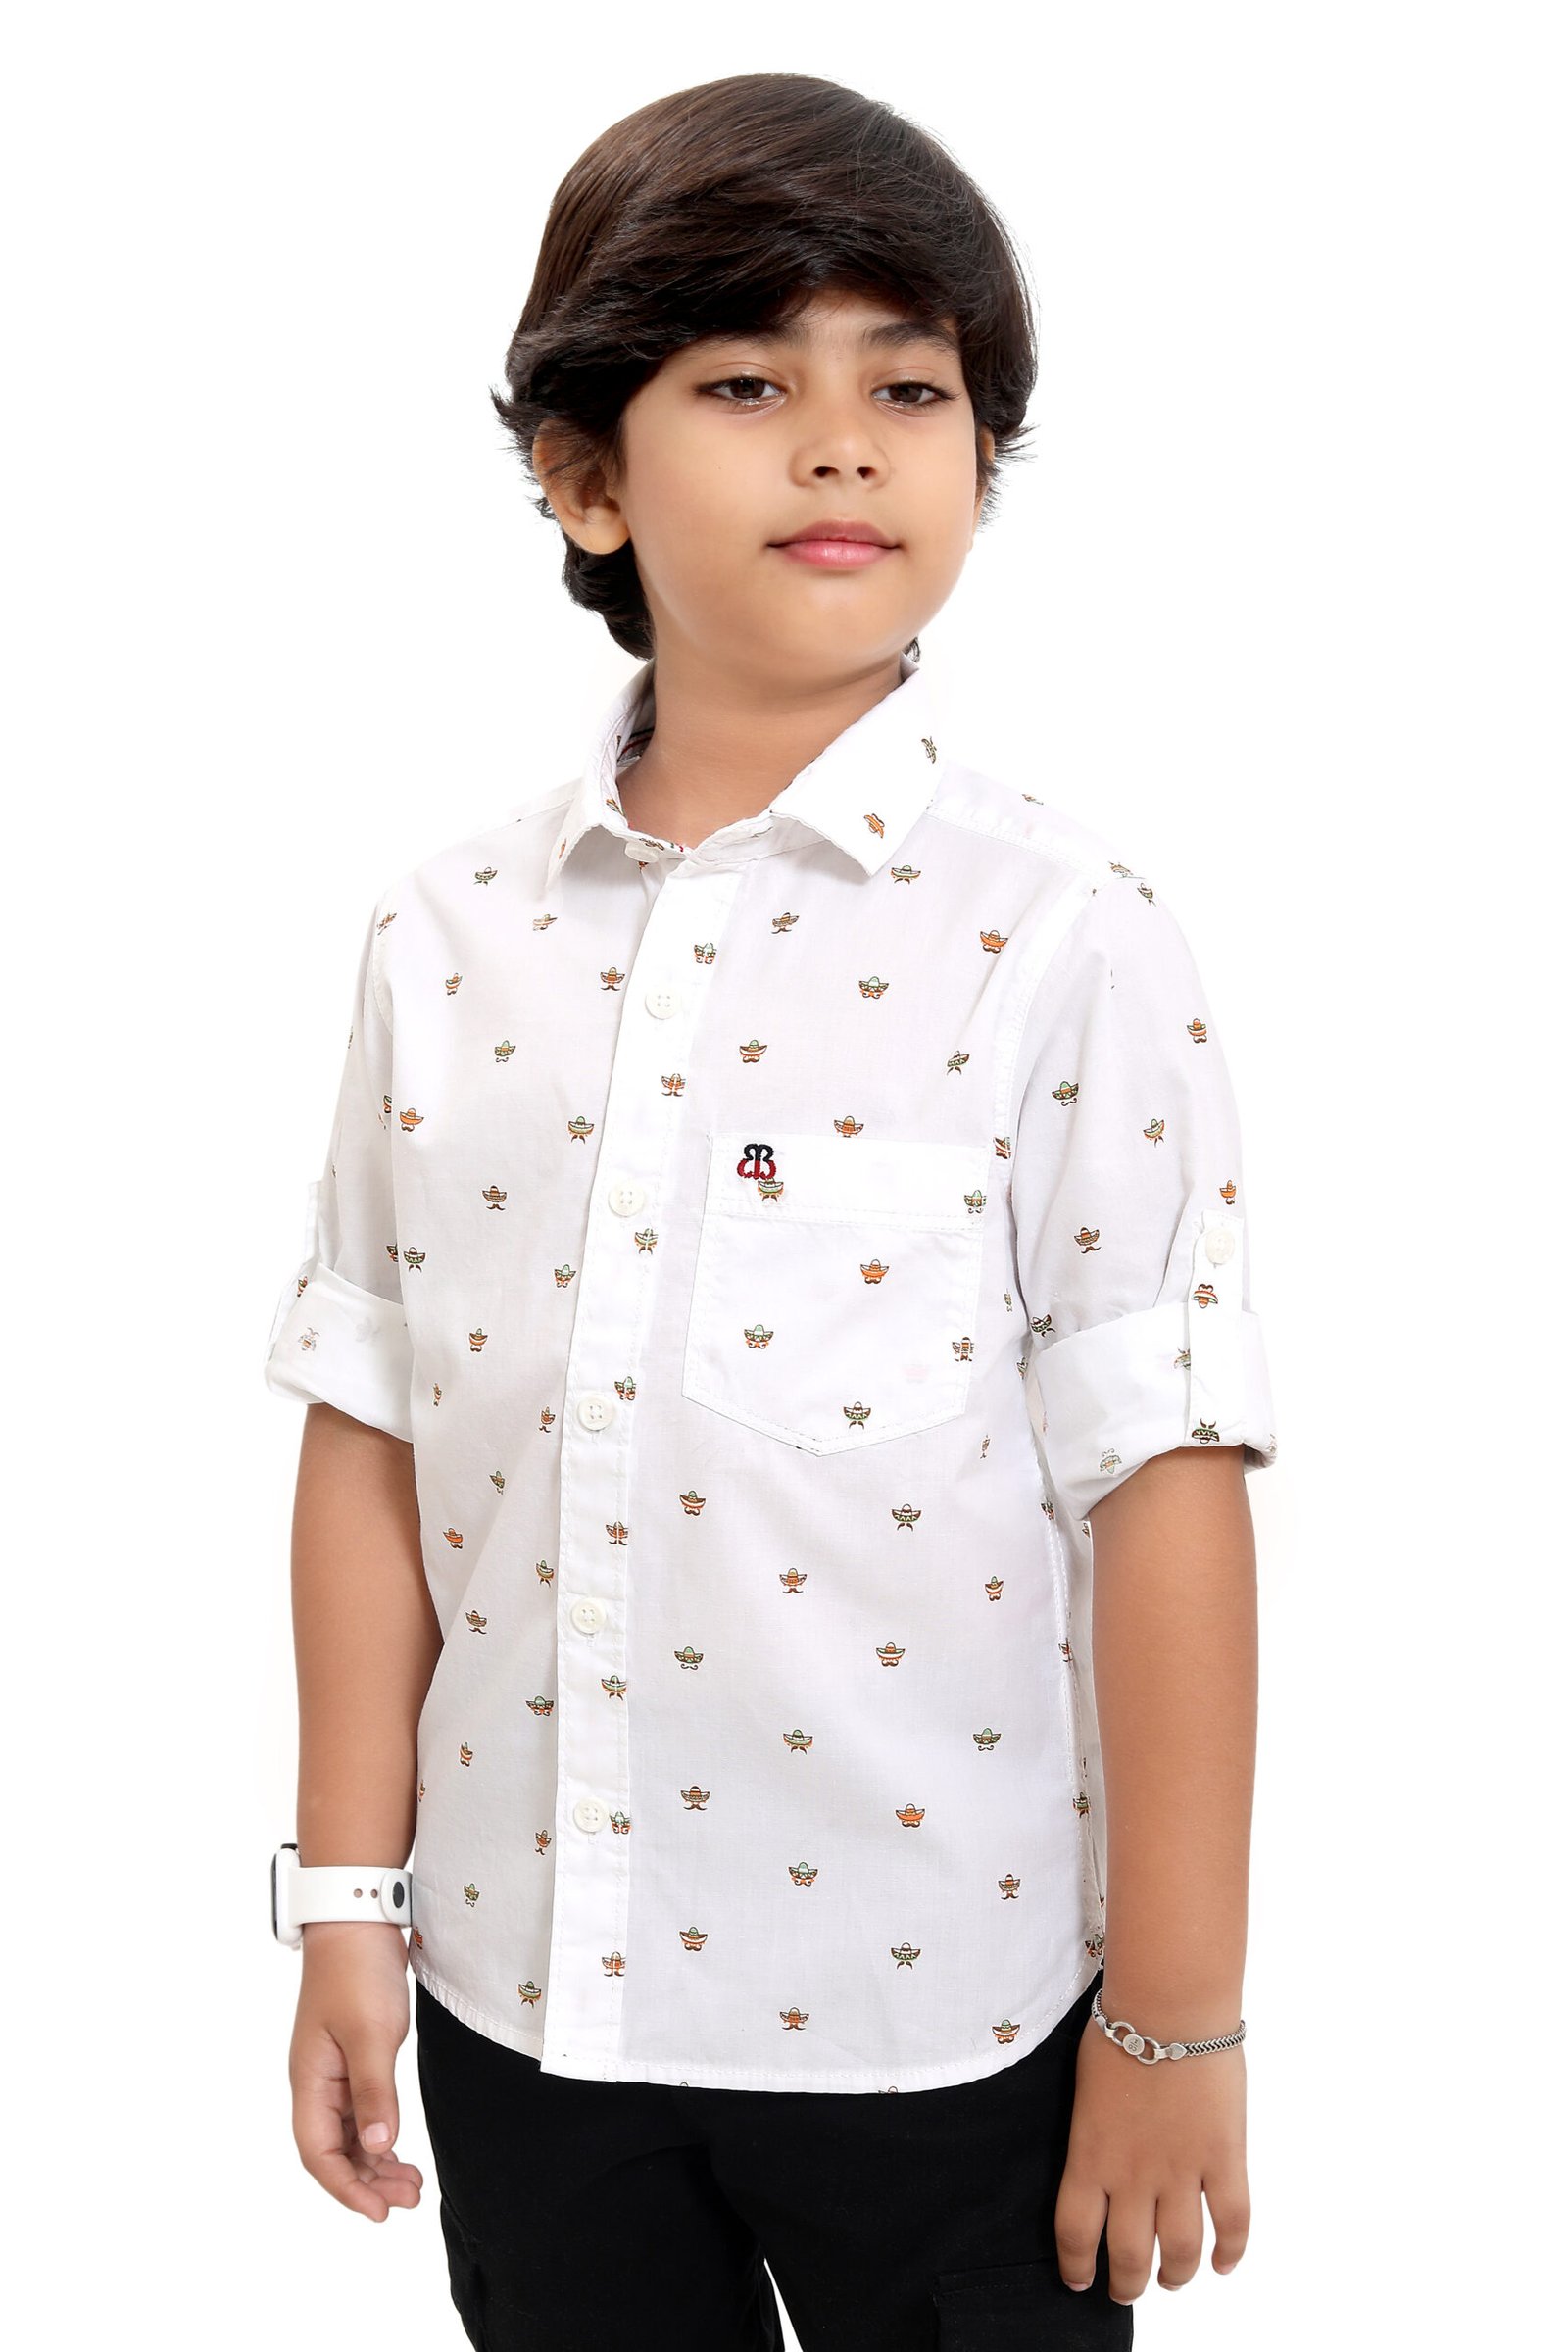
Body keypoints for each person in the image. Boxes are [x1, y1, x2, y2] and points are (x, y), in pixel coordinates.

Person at [264, 70, 1279, 2352]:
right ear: (583, 477)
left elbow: (1162, 1484)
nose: (840, 447)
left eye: (908, 390)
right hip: (527, 1996)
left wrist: (1174, 2019)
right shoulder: (443, 937)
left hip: (942, 2023)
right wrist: (343, 1895)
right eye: (746, 384)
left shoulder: (1066, 941)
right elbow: (374, 1420)